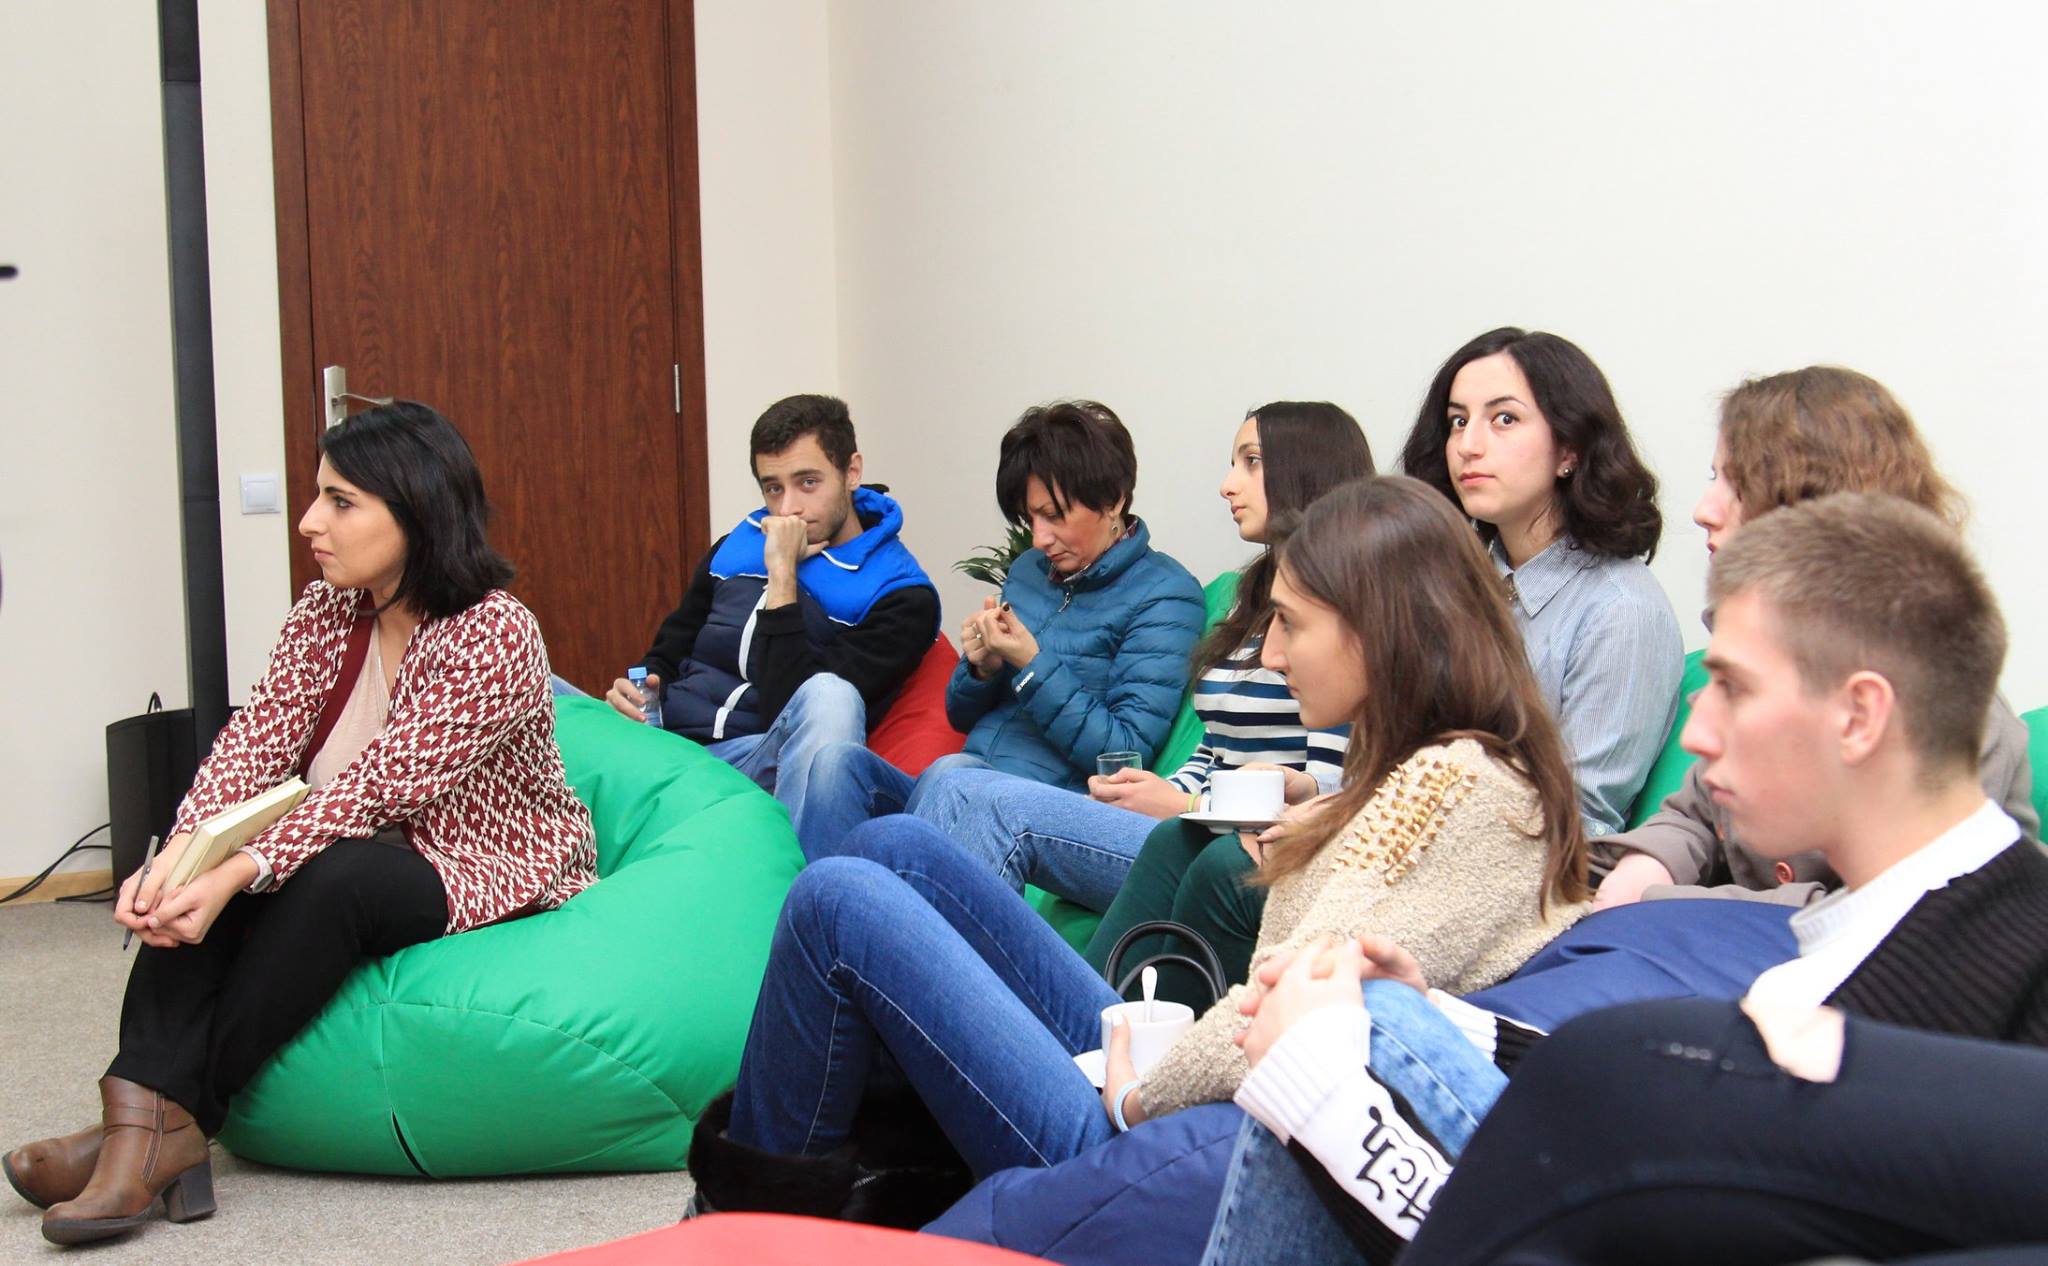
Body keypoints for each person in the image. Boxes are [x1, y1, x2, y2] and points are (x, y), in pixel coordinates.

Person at [682, 476, 1591, 1227]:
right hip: (1183, 1102)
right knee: (898, 846)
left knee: (836, 901)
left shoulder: (1447, 786)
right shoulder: (1447, 772)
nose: (1272, 655)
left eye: (1291, 623)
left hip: (1146, 1147)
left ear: (1380, 630)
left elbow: (1289, 1017)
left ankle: (743, 1226)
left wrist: (1135, 1095)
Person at [1201, 492, 2047, 1265]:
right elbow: (1663, 1137)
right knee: (1368, 1017)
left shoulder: (1988, 992)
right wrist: (1439, 1025)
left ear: (1859, 716)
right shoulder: (1894, 937)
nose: (1698, 733)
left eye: (1732, 688)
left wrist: (1324, 1096)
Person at [6, 403, 598, 1247]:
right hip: (346, 837)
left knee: (328, 875)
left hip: (478, 857)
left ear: (418, 509)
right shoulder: (328, 609)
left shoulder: (493, 632)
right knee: (224, 879)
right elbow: (255, 740)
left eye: (341, 501)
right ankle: (142, 1122)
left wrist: (236, 871)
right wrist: (179, 856)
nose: (310, 522)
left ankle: (157, 1127)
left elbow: (378, 788)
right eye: (319, 495)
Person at [1595, 366, 2036, 907]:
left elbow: (1890, 915)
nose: (1703, 510)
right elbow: (1695, 815)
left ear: (1812, 507)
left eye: (1738, 485)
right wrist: (1642, 870)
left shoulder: (1952, 715)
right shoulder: (1758, 660)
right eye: (1714, 478)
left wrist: (1670, 905)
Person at [910, 402, 1366, 923]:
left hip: (1234, 849)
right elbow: (1213, 749)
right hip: (1191, 824)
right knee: (906, 784)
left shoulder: (1343, 611)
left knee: (970, 787)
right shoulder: (1249, 598)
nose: (1226, 485)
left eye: (1251, 461)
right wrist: (1168, 792)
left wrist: (1185, 807)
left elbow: (1331, 794)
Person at [783, 400, 1205, 859]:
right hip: (959, 781)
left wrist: (1031, 664)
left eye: (1055, 515)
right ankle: (827, 896)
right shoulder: (1029, 571)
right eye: (1031, 518)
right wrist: (981, 669)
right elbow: (960, 716)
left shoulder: (1165, 595)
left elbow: (1124, 753)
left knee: (952, 775)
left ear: (1114, 499)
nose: (1040, 539)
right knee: (838, 764)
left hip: (1039, 811)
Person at [598, 394, 938, 825]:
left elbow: (797, 708)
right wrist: (636, 693)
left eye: (808, 483)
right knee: (541, 683)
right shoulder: (734, 546)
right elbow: (667, 651)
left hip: (760, 762)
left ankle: (794, 863)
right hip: (669, 748)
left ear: (852, 472)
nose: (788, 508)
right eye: (773, 488)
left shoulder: (901, 595)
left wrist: (782, 576)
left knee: (830, 694)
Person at [1401, 327, 1684, 838]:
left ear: (1569, 449)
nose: (1467, 446)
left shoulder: (1621, 610)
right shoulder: (1453, 584)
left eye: (1504, 419)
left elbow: (1578, 820)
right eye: (1458, 421)